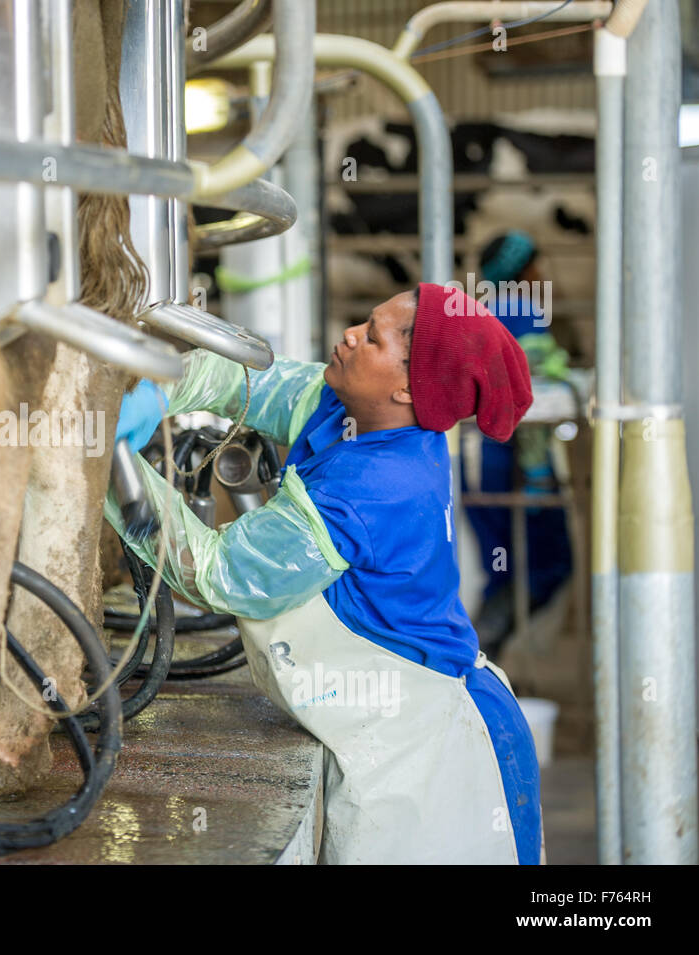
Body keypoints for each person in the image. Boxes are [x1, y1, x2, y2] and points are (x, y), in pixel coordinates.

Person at [107, 283, 542, 864]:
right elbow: (243, 383)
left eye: (374, 337)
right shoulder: (355, 409)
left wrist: (108, 463)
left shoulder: (374, 487)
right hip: (401, 726)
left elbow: (222, 575)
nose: (350, 335)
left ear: (409, 387)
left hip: (430, 757)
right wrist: (156, 391)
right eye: (366, 318)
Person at [467, 230, 573, 656]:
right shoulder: (521, 309)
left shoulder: (481, 311)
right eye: (534, 266)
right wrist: (539, 470)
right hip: (512, 457)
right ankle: (489, 644)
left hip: (480, 456)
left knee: (499, 560)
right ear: (521, 270)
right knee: (547, 559)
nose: (540, 273)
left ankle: (485, 647)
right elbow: (531, 394)